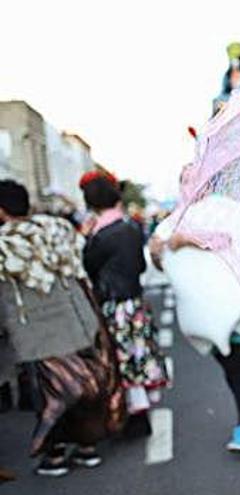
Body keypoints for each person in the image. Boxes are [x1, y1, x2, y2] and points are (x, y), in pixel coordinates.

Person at [0, 180, 123, 477]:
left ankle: (54, 456)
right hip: (79, 320)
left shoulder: (5, 244)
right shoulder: (58, 229)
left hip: (39, 334)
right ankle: (87, 448)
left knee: (52, 396)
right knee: (84, 387)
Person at [149, 186, 240, 452]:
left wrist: (186, 238)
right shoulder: (177, 218)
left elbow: (229, 238)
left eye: (193, 176)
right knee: (229, 366)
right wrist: (158, 251)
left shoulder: (227, 209)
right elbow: (163, 264)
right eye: (184, 178)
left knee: (234, 364)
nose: (188, 183)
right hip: (203, 310)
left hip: (232, 301)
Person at [80, 173, 168, 438]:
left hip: (113, 306)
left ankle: (132, 418)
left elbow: (89, 267)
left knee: (121, 359)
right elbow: (140, 266)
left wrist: (86, 240)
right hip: (135, 302)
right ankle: (139, 416)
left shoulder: (100, 235)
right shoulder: (130, 228)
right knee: (138, 357)